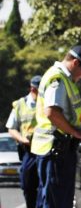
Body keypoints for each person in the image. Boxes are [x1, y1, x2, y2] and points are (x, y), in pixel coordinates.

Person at [30, 45, 81, 208]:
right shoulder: (58, 78)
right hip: (55, 150)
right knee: (55, 203)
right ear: (75, 63)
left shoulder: (66, 80)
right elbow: (52, 112)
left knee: (54, 201)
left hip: (59, 150)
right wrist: (76, 133)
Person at [6, 75, 42, 208]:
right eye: (39, 90)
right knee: (28, 185)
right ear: (32, 89)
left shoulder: (47, 103)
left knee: (45, 185)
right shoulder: (20, 105)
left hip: (45, 149)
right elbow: (11, 128)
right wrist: (23, 140)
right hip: (28, 151)